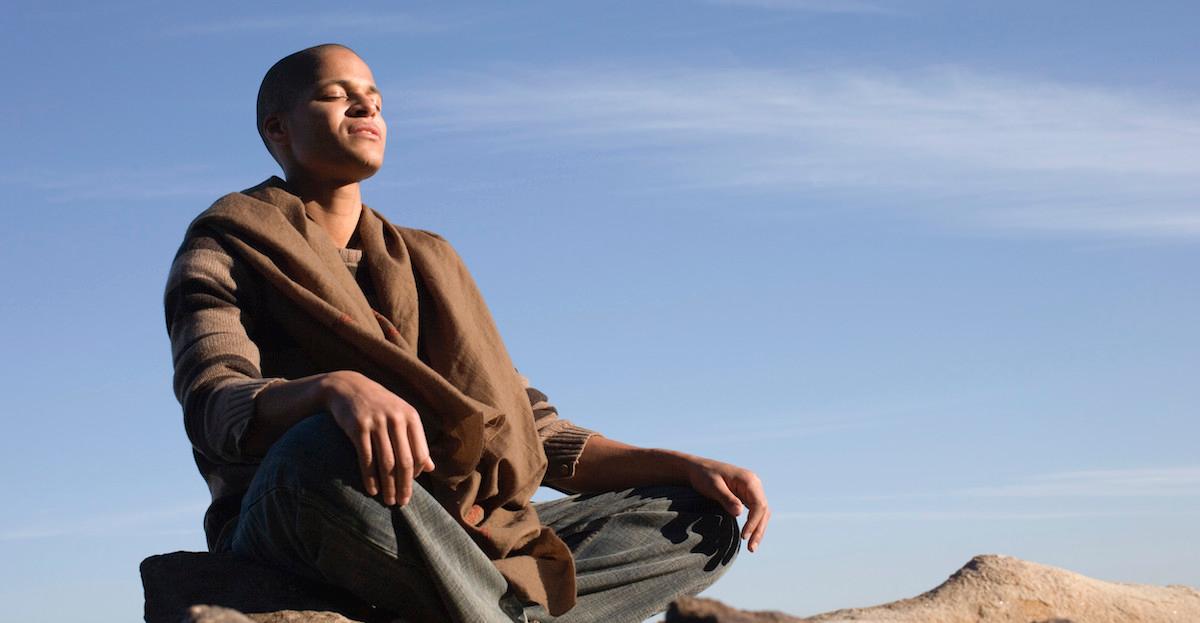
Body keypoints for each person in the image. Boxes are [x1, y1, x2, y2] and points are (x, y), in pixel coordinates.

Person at [164, 43, 770, 623]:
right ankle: (490, 608)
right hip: (310, 512)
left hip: (460, 524)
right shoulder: (229, 242)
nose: (366, 107)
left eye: (373, 96)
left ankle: (469, 607)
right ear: (277, 129)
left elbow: (531, 432)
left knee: (702, 515)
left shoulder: (429, 261)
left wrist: (683, 464)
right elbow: (215, 404)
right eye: (336, 94)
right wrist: (331, 390)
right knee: (320, 447)